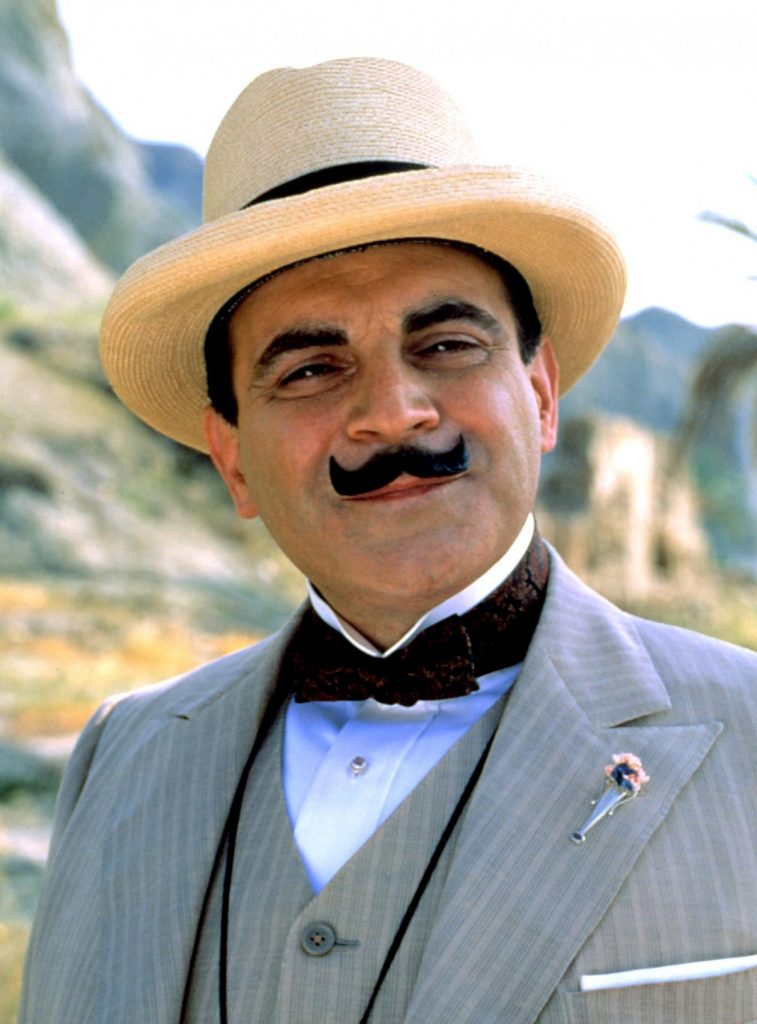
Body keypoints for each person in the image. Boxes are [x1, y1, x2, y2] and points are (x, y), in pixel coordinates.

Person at [19, 58, 756, 1024]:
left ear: (540, 396)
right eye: (311, 368)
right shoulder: (121, 756)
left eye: (445, 345)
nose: (394, 411)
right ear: (232, 457)